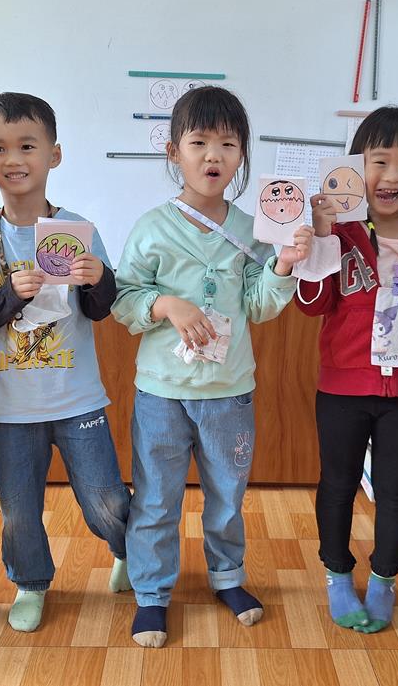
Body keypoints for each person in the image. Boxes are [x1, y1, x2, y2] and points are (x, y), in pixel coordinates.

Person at [112, 86, 315, 647]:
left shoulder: (253, 229)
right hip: (161, 392)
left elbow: (260, 305)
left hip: (229, 391)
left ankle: (227, 578)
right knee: (156, 499)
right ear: (173, 152)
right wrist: (165, 305)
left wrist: (283, 264)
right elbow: (124, 300)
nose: (213, 156)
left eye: (228, 144)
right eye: (198, 142)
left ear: (242, 155)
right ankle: (152, 593)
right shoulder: (152, 227)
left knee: (227, 496)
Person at [0, 92, 131, 633]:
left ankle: (130, 551)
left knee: (105, 499)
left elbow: (101, 310)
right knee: (18, 509)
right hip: (9, 408)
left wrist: (97, 278)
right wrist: (12, 293)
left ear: (54, 154)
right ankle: (30, 583)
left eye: (28, 146)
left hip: (77, 398)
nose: (14, 159)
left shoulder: (78, 228)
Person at [297, 106, 398, 633]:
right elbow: (313, 305)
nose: (391, 175)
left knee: (396, 491)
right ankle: (337, 575)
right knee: (337, 485)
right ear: (354, 167)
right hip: (342, 389)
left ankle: (385, 577)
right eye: (378, 161)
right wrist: (321, 240)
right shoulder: (340, 233)